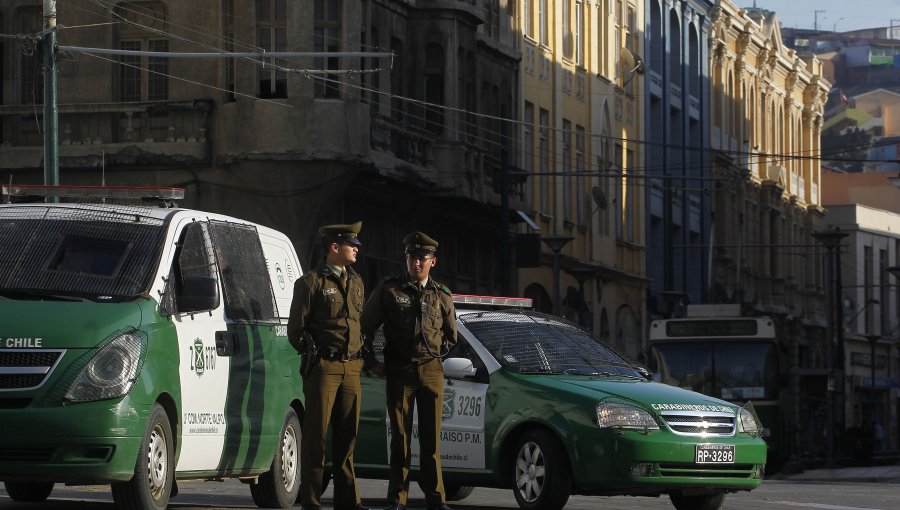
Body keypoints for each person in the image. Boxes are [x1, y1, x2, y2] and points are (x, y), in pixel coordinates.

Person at [361, 232, 457, 510]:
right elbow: (364, 329)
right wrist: (372, 363)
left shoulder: (442, 294)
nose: (416, 264)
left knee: (431, 442)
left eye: (422, 259)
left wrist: (437, 356)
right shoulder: (390, 290)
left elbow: (452, 335)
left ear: (432, 262)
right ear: (406, 260)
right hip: (400, 371)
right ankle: (397, 499)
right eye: (412, 258)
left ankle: (436, 500)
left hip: (431, 372)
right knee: (400, 440)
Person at [288, 221, 368, 510]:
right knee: (316, 440)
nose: (357, 249)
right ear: (335, 247)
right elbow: (295, 331)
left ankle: (348, 502)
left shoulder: (356, 281)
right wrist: (315, 358)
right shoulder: (311, 283)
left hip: (351, 369)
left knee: (347, 439)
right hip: (325, 369)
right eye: (352, 245)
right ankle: (311, 501)